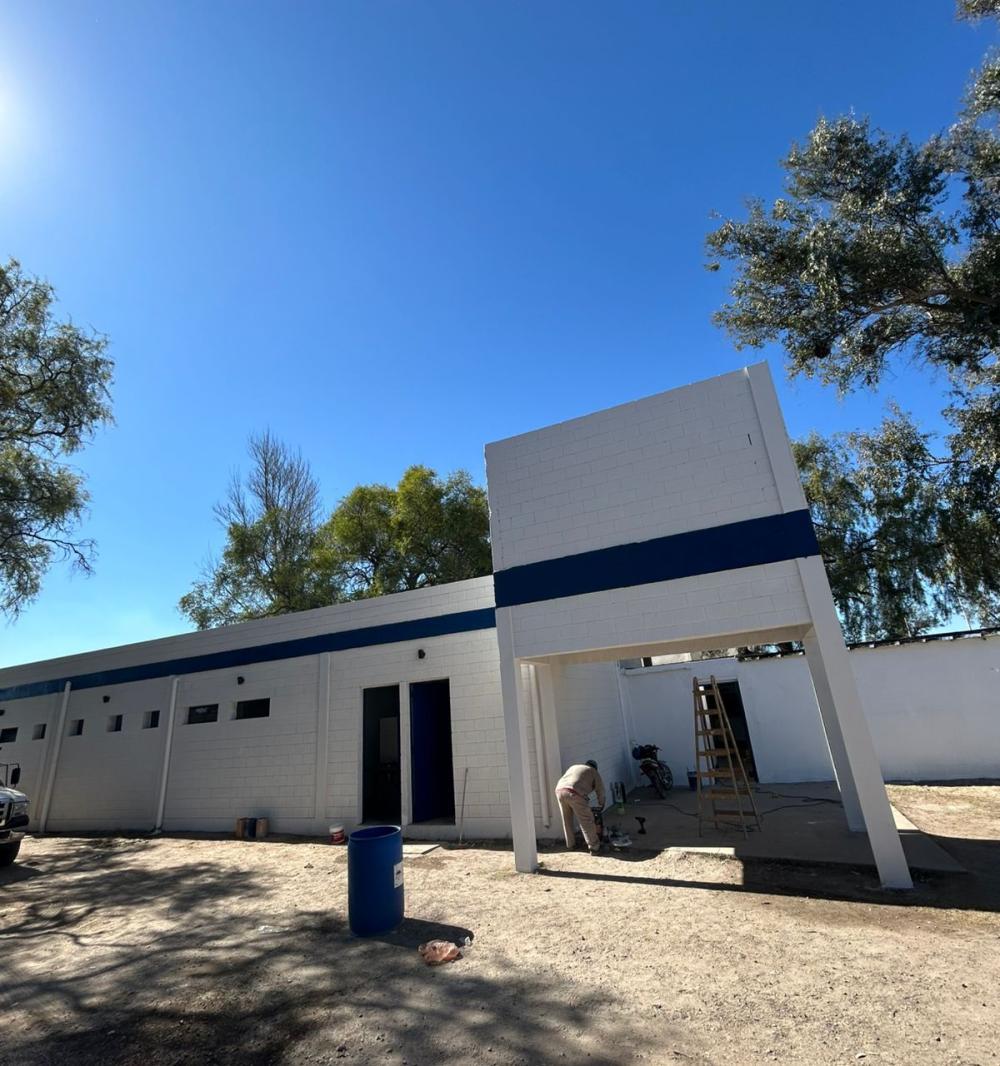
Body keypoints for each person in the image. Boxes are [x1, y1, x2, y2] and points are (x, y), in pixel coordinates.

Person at [555, 759, 606, 854]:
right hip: (574, 792)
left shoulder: (574, 767)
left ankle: (570, 845)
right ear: (595, 768)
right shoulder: (593, 771)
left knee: (566, 820)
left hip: (559, 790)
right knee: (586, 821)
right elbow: (600, 790)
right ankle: (594, 847)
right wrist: (602, 803)